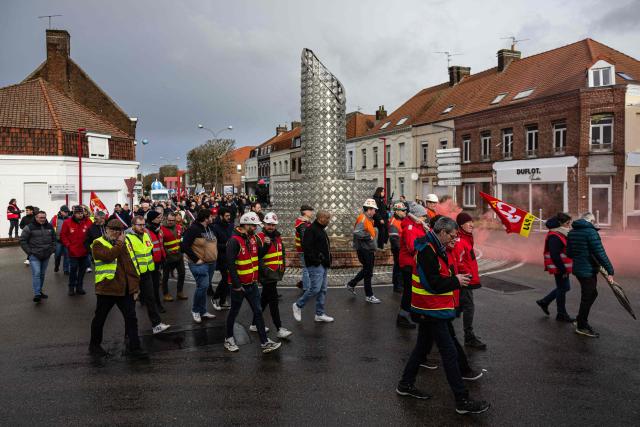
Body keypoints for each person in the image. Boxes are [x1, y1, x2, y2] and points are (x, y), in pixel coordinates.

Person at [396, 217, 490, 415]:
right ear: (442, 233)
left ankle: (405, 384)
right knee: (449, 353)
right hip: (431, 310)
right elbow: (434, 284)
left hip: (430, 309)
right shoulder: (427, 251)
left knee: (421, 348)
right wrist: (456, 281)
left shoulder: (433, 247)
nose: (454, 240)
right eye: (452, 236)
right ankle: (461, 400)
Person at [89, 219, 148, 360]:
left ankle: (135, 347)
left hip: (125, 290)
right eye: (113, 229)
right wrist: (120, 243)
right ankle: (94, 345)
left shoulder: (124, 244)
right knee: (100, 318)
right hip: (107, 289)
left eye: (119, 230)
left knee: (131, 318)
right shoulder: (98, 243)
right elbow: (108, 256)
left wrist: (135, 287)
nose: (116, 232)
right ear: (106, 229)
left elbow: (131, 266)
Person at [223, 212, 281, 354]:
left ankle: (264, 342)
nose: (255, 229)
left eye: (256, 226)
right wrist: (237, 285)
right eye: (253, 226)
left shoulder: (252, 239)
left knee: (258, 311)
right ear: (245, 225)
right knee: (234, 312)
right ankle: (229, 338)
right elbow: (230, 264)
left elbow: (258, 255)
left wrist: (266, 246)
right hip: (239, 286)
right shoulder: (234, 241)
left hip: (252, 284)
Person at [567, 212, 614, 338]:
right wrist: (610, 271)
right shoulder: (591, 233)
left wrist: (581, 253)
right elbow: (600, 253)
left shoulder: (572, 232)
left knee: (592, 294)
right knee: (588, 296)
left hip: (579, 269)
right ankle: (581, 326)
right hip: (588, 271)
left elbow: (569, 253)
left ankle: (580, 319)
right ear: (591, 222)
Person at [125, 215, 171, 334]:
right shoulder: (127, 238)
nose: (142, 227)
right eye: (139, 225)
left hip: (147, 273)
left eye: (144, 224)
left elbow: (149, 251)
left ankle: (156, 324)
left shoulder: (146, 235)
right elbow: (128, 258)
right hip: (134, 275)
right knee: (130, 304)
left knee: (151, 299)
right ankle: (129, 331)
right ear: (133, 225)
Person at [250, 212, 292, 339]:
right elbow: (257, 258)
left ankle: (254, 324)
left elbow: (281, 252)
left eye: (273, 225)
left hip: (275, 274)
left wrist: (283, 265)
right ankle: (279, 328)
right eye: (269, 224)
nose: (271, 227)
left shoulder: (277, 237)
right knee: (273, 301)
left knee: (264, 300)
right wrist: (265, 272)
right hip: (267, 275)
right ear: (264, 224)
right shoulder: (259, 237)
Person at [292, 210, 334, 323]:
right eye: (327, 219)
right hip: (316, 265)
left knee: (323, 290)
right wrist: (316, 261)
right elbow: (307, 248)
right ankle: (298, 305)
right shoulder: (311, 230)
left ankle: (319, 314)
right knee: (315, 289)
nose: (329, 221)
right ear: (321, 219)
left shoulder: (320, 229)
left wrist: (327, 259)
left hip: (323, 264)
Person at [453, 212, 486, 350]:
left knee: (459, 306)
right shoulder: (460, 241)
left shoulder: (466, 238)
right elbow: (457, 261)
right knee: (469, 306)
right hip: (465, 279)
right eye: (468, 222)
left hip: (467, 278)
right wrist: (465, 275)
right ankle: (469, 336)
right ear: (461, 225)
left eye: (472, 222)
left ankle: (441, 331)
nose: (472, 224)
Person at [536, 212, 575, 322]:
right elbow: (554, 254)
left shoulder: (560, 233)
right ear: (560, 224)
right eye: (567, 223)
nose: (569, 225)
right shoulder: (555, 235)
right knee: (563, 288)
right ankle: (561, 314)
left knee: (563, 288)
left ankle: (545, 302)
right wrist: (562, 270)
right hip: (560, 268)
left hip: (562, 267)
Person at [181, 209, 218, 323]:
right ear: (206, 218)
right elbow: (184, 246)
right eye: (211, 217)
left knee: (204, 287)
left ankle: (203, 311)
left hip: (211, 263)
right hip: (199, 264)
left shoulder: (209, 228)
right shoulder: (193, 229)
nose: (213, 218)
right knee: (203, 286)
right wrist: (196, 259)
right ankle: (195, 310)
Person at [397, 202, 428, 329]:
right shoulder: (410, 228)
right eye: (423, 216)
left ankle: (412, 313)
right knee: (409, 292)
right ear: (416, 216)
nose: (425, 218)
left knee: (413, 291)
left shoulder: (417, 226)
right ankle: (402, 317)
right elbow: (412, 247)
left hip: (413, 263)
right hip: (408, 264)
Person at [346, 199, 381, 303]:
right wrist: (368, 237)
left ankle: (352, 284)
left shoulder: (368, 219)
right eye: (374, 210)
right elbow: (357, 232)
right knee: (368, 271)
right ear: (369, 209)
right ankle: (368, 295)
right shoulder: (363, 218)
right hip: (364, 249)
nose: (375, 212)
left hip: (367, 249)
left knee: (367, 271)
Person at [20, 210, 56, 303]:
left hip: (46, 255)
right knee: (37, 273)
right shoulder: (29, 227)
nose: (43, 219)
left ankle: (39, 291)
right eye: (40, 217)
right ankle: (37, 294)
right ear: (36, 218)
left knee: (42, 274)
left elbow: (54, 239)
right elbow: (23, 240)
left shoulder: (50, 226)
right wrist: (29, 252)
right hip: (34, 255)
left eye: (44, 217)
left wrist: (52, 250)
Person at [60, 206, 92, 296]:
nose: (80, 215)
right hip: (73, 252)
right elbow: (63, 235)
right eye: (78, 213)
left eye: (81, 213)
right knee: (73, 270)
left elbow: (91, 234)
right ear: (74, 213)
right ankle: (71, 287)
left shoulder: (88, 222)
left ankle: (79, 287)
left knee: (82, 271)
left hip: (85, 252)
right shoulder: (67, 222)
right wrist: (68, 245)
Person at [211, 207, 234, 310]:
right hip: (220, 257)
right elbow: (214, 244)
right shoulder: (215, 227)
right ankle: (215, 298)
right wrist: (226, 245)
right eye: (227, 216)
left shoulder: (230, 225)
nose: (229, 218)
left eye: (229, 216)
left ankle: (223, 300)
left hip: (230, 256)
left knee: (228, 279)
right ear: (221, 216)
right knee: (225, 278)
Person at [161, 212, 187, 301]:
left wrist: (182, 251)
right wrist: (167, 254)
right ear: (166, 219)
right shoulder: (161, 229)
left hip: (178, 256)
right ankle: (165, 293)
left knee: (182, 273)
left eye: (172, 220)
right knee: (165, 276)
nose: (170, 222)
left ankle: (180, 292)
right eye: (169, 220)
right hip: (168, 257)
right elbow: (162, 244)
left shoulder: (179, 227)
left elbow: (180, 241)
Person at [145, 211, 167, 313]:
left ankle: (143, 298)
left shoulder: (159, 229)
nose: (160, 219)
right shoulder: (146, 231)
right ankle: (157, 305)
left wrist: (163, 257)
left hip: (159, 260)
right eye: (158, 217)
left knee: (154, 284)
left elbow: (161, 244)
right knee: (154, 285)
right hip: (150, 262)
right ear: (152, 219)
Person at [294, 205, 314, 291]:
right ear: (305, 212)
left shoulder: (305, 222)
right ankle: (306, 287)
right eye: (310, 211)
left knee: (307, 268)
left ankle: (305, 284)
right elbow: (304, 239)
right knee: (306, 268)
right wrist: (308, 251)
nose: (312, 212)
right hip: (304, 250)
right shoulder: (302, 224)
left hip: (304, 249)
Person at [389, 202, 407, 293]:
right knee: (398, 267)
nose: (405, 212)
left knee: (400, 266)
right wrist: (400, 249)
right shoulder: (394, 222)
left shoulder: (401, 220)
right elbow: (394, 239)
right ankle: (397, 286)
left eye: (405, 210)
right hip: (398, 248)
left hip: (401, 248)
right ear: (397, 211)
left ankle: (399, 284)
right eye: (403, 211)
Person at [51, 205, 70, 274]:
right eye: (65, 212)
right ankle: (57, 265)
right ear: (61, 211)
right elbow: (50, 227)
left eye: (67, 212)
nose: (67, 213)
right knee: (57, 255)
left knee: (67, 255)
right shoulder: (55, 218)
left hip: (67, 241)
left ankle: (66, 269)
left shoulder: (70, 218)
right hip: (58, 240)